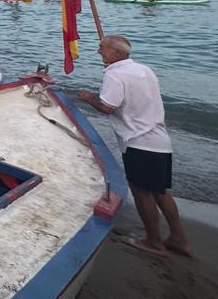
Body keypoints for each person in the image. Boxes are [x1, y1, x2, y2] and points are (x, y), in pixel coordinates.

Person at [77, 35, 191, 258]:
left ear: (118, 53)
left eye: (103, 48)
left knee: (141, 192)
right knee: (160, 191)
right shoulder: (144, 70)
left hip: (138, 142)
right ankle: (179, 238)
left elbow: (108, 107)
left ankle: (154, 242)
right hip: (159, 140)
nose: (98, 52)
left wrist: (89, 97)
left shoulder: (115, 75)